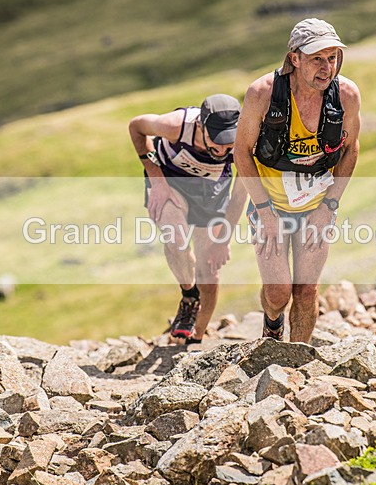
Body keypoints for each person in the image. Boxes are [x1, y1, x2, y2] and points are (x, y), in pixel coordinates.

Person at [234, 18, 361, 344]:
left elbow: (350, 150)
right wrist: (264, 211)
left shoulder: (346, 95)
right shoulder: (262, 94)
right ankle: (272, 323)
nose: (327, 67)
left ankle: (295, 363)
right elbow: (242, 154)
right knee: (278, 294)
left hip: (318, 207)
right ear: (295, 58)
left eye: (332, 57)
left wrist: (329, 206)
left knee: (306, 291)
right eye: (317, 58)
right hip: (270, 206)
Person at [129, 94, 247, 344]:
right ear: (201, 126)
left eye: (228, 146)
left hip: (211, 193)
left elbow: (239, 196)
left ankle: (196, 337)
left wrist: (223, 240)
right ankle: (189, 295)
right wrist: (157, 180)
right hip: (170, 184)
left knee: (210, 271)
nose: (221, 151)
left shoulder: (246, 141)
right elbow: (136, 126)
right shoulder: (176, 125)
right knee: (177, 238)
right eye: (215, 144)